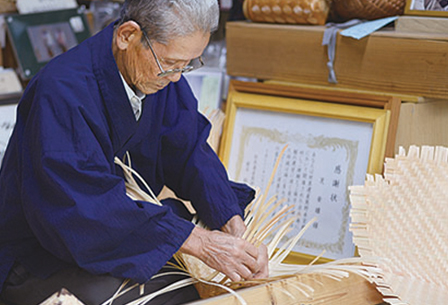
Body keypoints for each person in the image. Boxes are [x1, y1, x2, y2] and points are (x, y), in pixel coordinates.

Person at [0, 1, 269, 304]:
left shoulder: (160, 76)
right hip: (42, 259)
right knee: (167, 293)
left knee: (195, 280)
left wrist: (229, 218)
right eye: (171, 63)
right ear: (127, 36)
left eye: (189, 63)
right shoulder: (61, 91)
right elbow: (84, 209)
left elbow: (189, 149)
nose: (178, 76)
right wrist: (198, 243)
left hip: (119, 237)